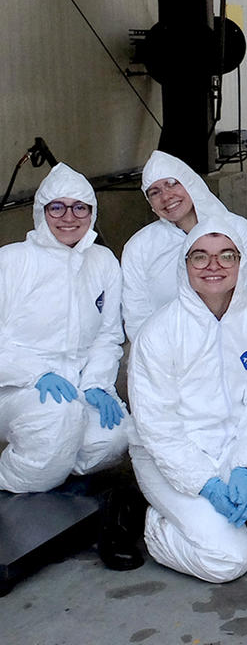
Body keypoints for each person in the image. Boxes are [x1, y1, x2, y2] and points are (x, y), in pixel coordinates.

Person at [128, 215, 247, 583]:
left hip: (235, 444)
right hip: (172, 455)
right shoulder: (159, 333)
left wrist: (245, 466)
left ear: (241, 262)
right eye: (200, 256)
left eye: (226, 255)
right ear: (185, 265)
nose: (213, 266)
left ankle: (234, 516)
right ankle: (157, 526)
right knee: (228, 562)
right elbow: (157, 426)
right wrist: (204, 483)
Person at [0, 164, 129, 494]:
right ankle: (10, 478)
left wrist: (97, 383)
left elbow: (108, 335)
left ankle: (50, 463)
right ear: (41, 211)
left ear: (91, 212)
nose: (68, 217)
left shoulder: (102, 262)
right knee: (58, 417)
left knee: (115, 437)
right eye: (56, 206)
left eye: (79, 207)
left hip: (76, 385)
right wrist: (34, 373)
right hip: (14, 386)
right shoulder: (13, 261)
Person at [121, 150, 247, 339]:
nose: (166, 196)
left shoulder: (235, 229)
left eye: (171, 184)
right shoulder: (139, 247)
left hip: (229, 341)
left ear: (190, 182)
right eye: (155, 192)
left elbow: (242, 294)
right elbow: (137, 315)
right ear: (150, 202)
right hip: (167, 351)